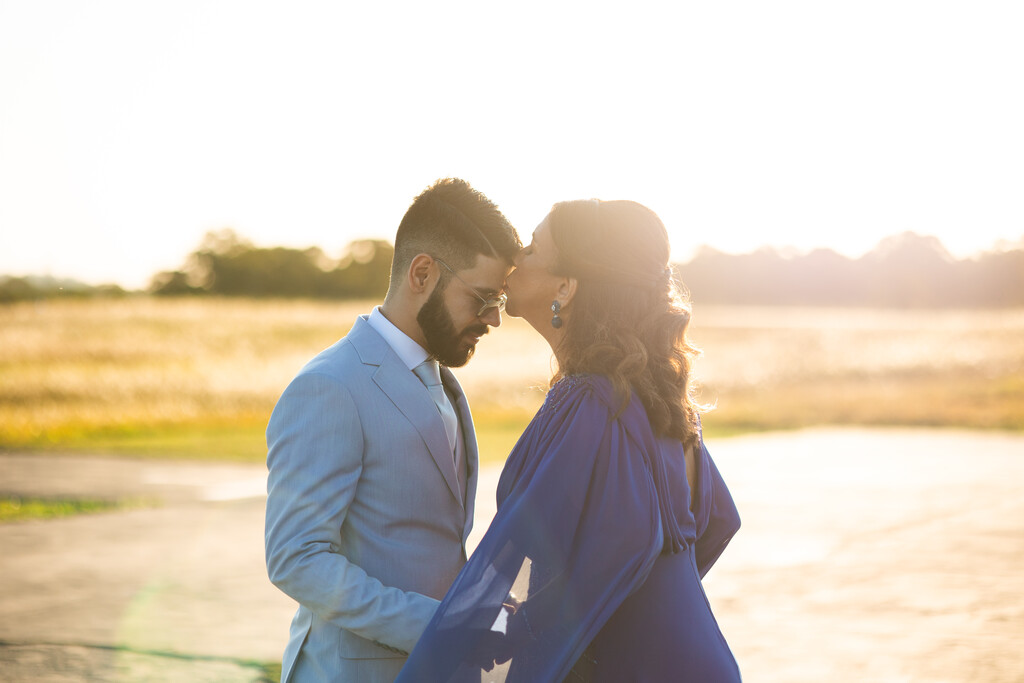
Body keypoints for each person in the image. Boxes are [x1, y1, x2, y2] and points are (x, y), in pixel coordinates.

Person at [396, 199, 742, 682]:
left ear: (566, 286)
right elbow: (716, 520)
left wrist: (509, 630)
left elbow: (588, 546)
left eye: (534, 247)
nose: (517, 254)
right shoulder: (660, 399)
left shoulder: (589, 400)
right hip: (694, 658)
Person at [265, 178, 522, 683]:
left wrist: (480, 605)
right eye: (483, 297)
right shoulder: (330, 386)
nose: (494, 318)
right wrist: (442, 625)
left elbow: (431, 542)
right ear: (422, 273)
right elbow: (296, 558)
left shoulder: (442, 381)